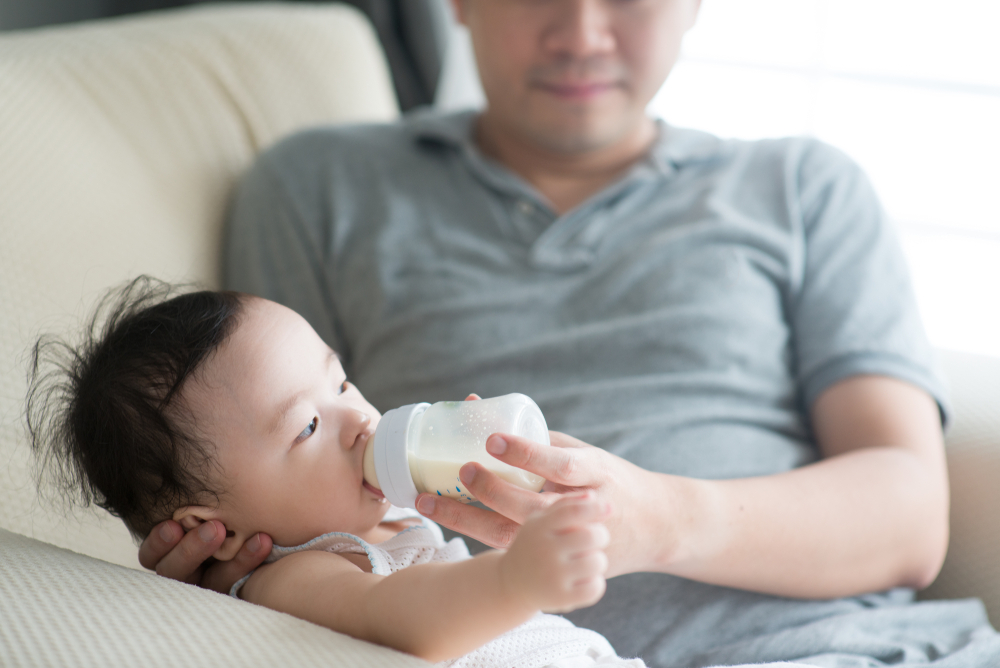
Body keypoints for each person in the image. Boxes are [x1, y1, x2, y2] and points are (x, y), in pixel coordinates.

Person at [140, 0, 1000, 666]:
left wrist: (656, 519)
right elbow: (263, 468)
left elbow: (911, 519)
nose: (583, 34)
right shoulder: (316, 187)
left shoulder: (804, 189)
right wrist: (229, 573)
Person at [27, 280, 649, 668]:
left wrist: (472, 460)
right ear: (216, 528)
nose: (357, 417)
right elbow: (399, 618)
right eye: (306, 428)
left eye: (342, 380)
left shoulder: (381, 507)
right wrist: (517, 578)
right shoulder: (291, 577)